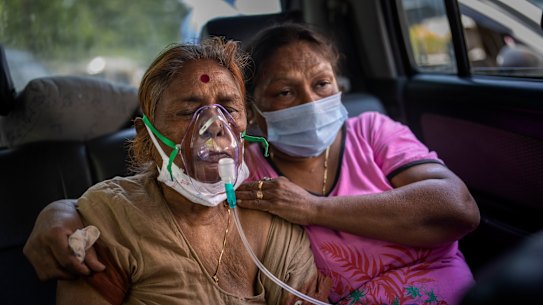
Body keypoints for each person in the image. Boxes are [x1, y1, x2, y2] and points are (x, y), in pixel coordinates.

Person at [24, 23, 480, 305]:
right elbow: (132, 204)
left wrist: (312, 209)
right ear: (260, 109)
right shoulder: (251, 182)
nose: (214, 126)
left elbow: (457, 209)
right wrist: (61, 211)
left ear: (244, 117)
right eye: (188, 111)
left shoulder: (361, 140)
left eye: (322, 83)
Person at [52, 37, 329, 304]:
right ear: (146, 137)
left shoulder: (275, 220)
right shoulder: (112, 218)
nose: (215, 125)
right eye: (188, 112)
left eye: (228, 109)